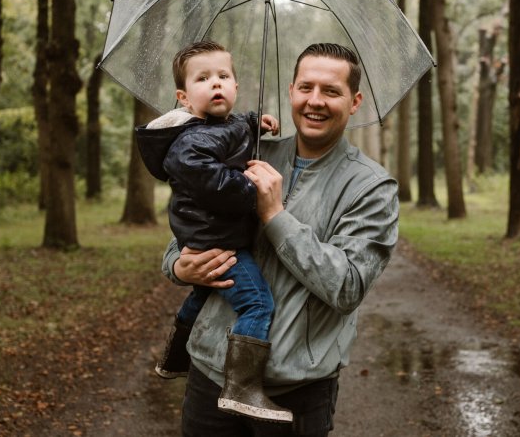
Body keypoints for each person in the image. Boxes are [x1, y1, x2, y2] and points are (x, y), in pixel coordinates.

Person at [162, 43, 400, 436]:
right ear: (291, 91)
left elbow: (347, 287)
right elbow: (191, 222)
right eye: (306, 87)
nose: (315, 101)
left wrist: (275, 215)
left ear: (354, 101)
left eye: (331, 91)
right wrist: (177, 264)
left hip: (297, 391)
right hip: (210, 374)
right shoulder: (251, 153)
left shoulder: (372, 188)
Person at [135, 40, 293, 423]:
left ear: (236, 86)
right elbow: (207, 175)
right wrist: (250, 190)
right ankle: (241, 388)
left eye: (224, 76)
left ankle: (175, 356)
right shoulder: (191, 140)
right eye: (203, 79)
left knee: (202, 295)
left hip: (211, 235)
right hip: (217, 240)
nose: (216, 84)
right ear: (184, 98)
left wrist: (258, 120)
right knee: (257, 303)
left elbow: (237, 128)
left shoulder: (224, 125)